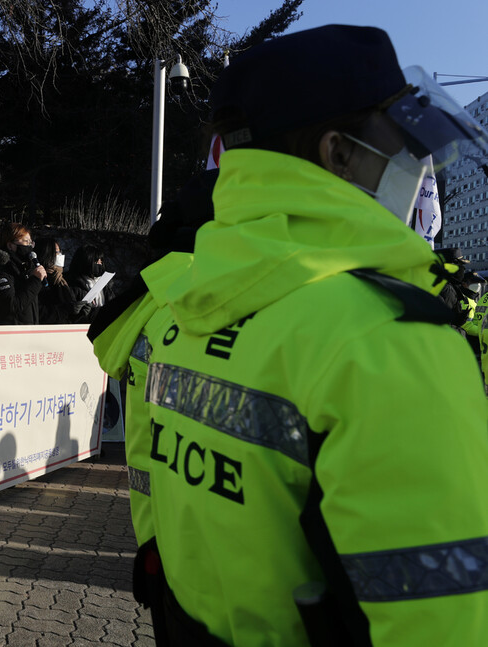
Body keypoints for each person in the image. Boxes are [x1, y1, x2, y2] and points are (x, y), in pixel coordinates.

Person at [132, 26, 488, 646]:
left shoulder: (179, 301)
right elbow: (447, 613)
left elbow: (151, 484)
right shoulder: (388, 340)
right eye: (398, 137)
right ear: (339, 153)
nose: (415, 159)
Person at [88, 168, 218, 640]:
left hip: (160, 542)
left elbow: (145, 439)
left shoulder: (148, 304)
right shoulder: (223, 299)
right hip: (230, 555)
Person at [0, 222, 47, 325]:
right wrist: (35, 281)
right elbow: (11, 307)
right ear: (10, 245)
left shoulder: (26, 268)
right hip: (6, 336)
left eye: (31, 242)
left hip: (28, 335)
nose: (29, 246)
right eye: (25, 241)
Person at [35, 236, 89, 324]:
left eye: (60, 251)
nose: (60, 255)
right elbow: (41, 314)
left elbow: (69, 318)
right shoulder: (38, 279)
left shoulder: (62, 281)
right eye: (56, 252)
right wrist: (66, 309)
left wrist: (81, 312)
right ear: (47, 254)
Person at [66, 243, 108, 321]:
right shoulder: (71, 284)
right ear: (86, 261)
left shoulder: (106, 283)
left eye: (101, 260)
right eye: (96, 261)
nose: (100, 263)